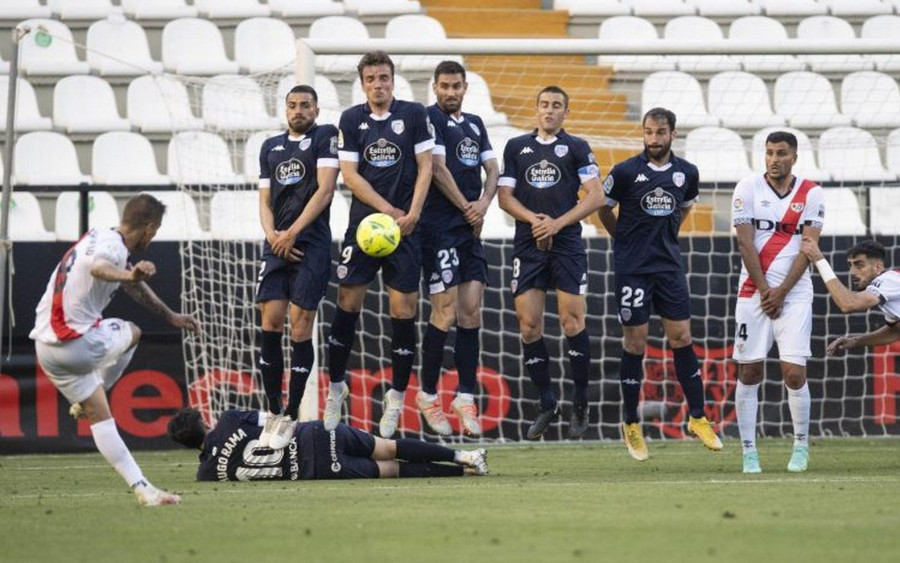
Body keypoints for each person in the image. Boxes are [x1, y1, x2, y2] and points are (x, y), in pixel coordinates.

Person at [29, 194, 200, 506]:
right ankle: (102, 383)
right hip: (76, 343)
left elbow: (131, 284)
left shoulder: (99, 235)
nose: (155, 235)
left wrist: (170, 315)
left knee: (98, 415)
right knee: (132, 332)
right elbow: (99, 268)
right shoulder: (111, 250)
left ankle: (144, 490)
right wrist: (128, 275)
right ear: (148, 227)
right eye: (156, 229)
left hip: (46, 350)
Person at [597, 107, 722, 461]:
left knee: (682, 337)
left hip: (668, 267)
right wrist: (622, 240)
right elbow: (603, 209)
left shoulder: (687, 173)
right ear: (643, 133)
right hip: (632, 269)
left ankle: (697, 417)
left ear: (672, 134)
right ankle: (631, 423)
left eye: (660, 133)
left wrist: (664, 234)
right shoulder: (624, 172)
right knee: (635, 343)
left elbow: (682, 209)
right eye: (648, 132)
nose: (654, 139)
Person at [324, 51, 434, 438]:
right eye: (371, 78)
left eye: (384, 77)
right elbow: (351, 176)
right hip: (365, 228)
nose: (378, 84)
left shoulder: (415, 114)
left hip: (407, 228)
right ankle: (336, 387)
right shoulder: (352, 119)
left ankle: (397, 397)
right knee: (347, 304)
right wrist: (389, 211)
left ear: (393, 79)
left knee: (403, 310)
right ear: (362, 82)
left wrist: (413, 213)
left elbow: (427, 167)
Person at [497, 85, 605, 440]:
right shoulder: (516, 147)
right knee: (529, 326)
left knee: (572, 322)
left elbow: (597, 195)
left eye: (557, 105)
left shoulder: (576, 147)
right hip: (529, 242)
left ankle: (580, 403)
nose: (549, 110)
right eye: (544, 104)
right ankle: (547, 402)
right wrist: (535, 221)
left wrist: (556, 224)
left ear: (565, 112)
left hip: (567, 243)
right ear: (536, 109)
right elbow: (504, 197)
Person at [730, 130, 825, 474]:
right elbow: (745, 245)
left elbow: (808, 247)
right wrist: (765, 290)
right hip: (752, 291)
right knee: (750, 369)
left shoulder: (811, 193)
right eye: (769, 152)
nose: (773, 159)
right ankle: (748, 451)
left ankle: (801, 446)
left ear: (794, 157)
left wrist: (781, 291)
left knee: (794, 372)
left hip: (795, 292)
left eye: (781, 153)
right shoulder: (747, 188)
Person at [414, 60, 500, 437]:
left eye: (456, 86)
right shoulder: (427, 119)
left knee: (471, 313)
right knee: (444, 314)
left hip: (470, 231)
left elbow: (493, 170)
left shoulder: (476, 124)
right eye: (444, 86)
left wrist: (483, 203)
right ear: (434, 87)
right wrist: (468, 207)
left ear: (465, 87)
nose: (450, 92)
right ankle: (429, 395)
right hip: (440, 231)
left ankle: (465, 397)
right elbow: (435, 167)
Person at [255, 84, 339, 449]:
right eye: (292, 106)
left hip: (311, 243)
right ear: (285, 109)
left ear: (316, 110)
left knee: (301, 325)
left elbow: (325, 190)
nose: (298, 111)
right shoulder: (269, 147)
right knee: (270, 322)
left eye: (305, 105)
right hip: (277, 243)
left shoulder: (324, 136)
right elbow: (263, 199)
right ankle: (273, 410)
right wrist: (274, 235)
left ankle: (292, 411)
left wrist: (292, 232)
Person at [167, 407, 488, 481]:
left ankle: (465, 473)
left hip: (318, 468)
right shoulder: (228, 420)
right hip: (316, 435)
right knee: (389, 447)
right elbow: (281, 419)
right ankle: (465, 455)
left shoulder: (206, 474)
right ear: (204, 423)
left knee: (391, 470)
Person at [800, 239, 900, 353]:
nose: (852, 272)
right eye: (850, 265)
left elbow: (848, 304)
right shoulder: (891, 290)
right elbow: (895, 331)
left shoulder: (887, 280)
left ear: (877, 267)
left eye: (859, 265)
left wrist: (819, 260)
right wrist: (856, 341)